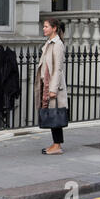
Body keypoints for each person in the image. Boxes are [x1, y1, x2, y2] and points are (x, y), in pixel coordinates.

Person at [35, 18, 68, 155]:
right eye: (44, 26)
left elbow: (57, 69)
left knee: (55, 115)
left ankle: (57, 146)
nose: (44, 28)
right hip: (47, 84)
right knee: (53, 115)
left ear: (54, 28)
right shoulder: (49, 43)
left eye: (46, 26)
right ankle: (55, 144)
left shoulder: (57, 44)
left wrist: (53, 89)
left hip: (53, 86)